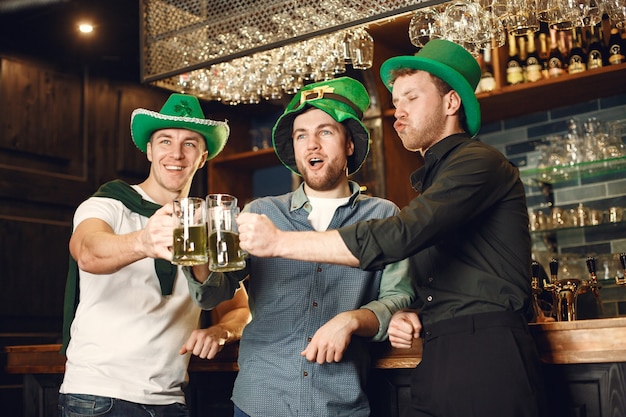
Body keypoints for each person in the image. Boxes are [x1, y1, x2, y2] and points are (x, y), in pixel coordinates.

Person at [235, 39, 548, 417]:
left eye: (411, 99)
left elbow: (401, 235)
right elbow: (432, 280)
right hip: (440, 353)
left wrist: (280, 242)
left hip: (487, 355)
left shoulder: (478, 163)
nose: (398, 113)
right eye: (396, 103)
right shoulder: (435, 179)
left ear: (451, 103)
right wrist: (408, 314)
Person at [185, 76, 414, 417]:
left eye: (325, 132)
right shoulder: (261, 213)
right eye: (301, 136)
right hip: (260, 401)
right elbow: (213, 293)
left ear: (349, 144)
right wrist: (197, 255)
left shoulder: (382, 215)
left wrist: (352, 319)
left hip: (339, 403)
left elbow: (398, 298)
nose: (312, 146)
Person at [58, 93, 251, 417]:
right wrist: (144, 242)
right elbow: (88, 253)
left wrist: (221, 332)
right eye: (165, 141)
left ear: (202, 157)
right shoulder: (109, 204)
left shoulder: (205, 225)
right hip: (97, 396)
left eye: (190, 144)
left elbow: (240, 307)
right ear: (149, 149)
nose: (176, 153)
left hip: (170, 399)